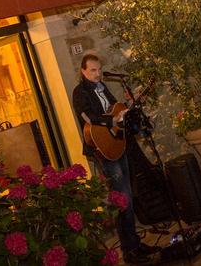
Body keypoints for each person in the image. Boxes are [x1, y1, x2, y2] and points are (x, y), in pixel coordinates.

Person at [72, 54, 157, 264]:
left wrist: (125, 110)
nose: (98, 73)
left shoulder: (102, 87)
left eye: (99, 69)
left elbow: (114, 109)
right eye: (92, 70)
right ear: (83, 71)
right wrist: (113, 119)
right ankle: (129, 251)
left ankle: (134, 243)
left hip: (117, 144)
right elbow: (88, 117)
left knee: (128, 194)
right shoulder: (80, 92)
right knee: (122, 199)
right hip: (103, 148)